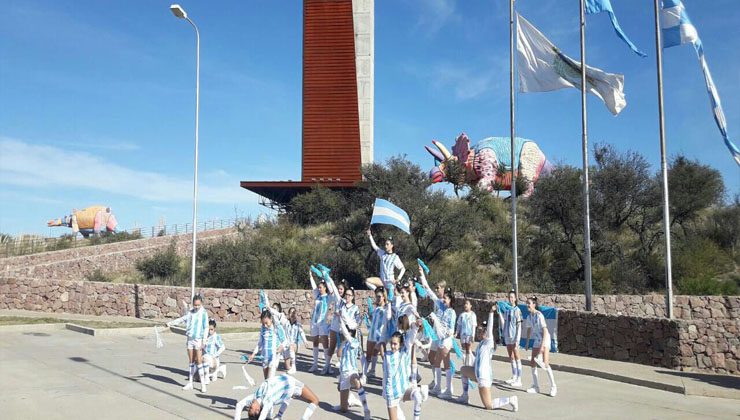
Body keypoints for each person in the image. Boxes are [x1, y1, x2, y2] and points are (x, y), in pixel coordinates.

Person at [456, 305, 518, 411]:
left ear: (486, 332)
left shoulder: (489, 342)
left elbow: (490, 327)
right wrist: (473, 366)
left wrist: (491, 312)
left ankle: (510, 400)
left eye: (481, 331)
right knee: (463, 370)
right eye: (479, 331)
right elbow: (477, 360)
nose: (479, 334)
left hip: (484, 377)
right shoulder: (481, 344)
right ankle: (465, 396)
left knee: (488, 405)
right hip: (477, 373)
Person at [166, 293, 209, 392]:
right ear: (193, 304)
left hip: (198, 339)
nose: (197, 306)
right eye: (195, 305)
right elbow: (182, 319)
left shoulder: (203, 313)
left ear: (201, 303)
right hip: (190, 339)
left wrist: (204, 341)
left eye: (198, 305)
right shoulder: (190, 312)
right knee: (191, 362)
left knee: (199, 361)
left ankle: (203, 384)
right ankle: (190, 383)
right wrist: (170, 323)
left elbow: (206, 327)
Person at [383, 326, 429, 420]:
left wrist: (415, 326)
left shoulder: (404, 353)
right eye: (391, 343)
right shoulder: (387, 356)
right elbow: (386, 377)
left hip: (403, 390)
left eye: (395, 344)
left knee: (418, 396)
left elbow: (411, 338)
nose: (392, 346)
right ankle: (398, 411)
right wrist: (386, 392)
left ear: (401, 344)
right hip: (392, 394)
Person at [233, 374, 320, 420]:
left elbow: (239, 405)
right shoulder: (267, 402)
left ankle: (278, 416)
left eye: (248, 408)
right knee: (315, 400)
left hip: (286, 384)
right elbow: (262, 416)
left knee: (289, 397)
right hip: (292, 384)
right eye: (251, 408)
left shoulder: (255, 397)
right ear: (257, 410)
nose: (250, 405)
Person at [417, 264, 446, 390]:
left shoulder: (444, 303)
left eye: (438, 288)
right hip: (435, 334)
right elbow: (427, 288)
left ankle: (443, 385)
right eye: (436, 288)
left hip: (443, 335)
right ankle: (436, 381)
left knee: (443, 360)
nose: (436, 290)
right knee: (431, 357)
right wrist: (422, 274)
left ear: (443, 289)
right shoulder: (436, 301)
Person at [335, 320, 372, 420]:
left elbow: (362, 358)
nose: (343, 333)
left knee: (356, 382)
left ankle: (366, 410)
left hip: (352, 371)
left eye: (346, 331)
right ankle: (350, 400)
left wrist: (364, 374)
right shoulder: (346, 343)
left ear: (350, 332)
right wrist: (343, 342)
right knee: (343, 409)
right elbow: (339, 354)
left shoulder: (354, 342)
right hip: (343, 373)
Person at [524, 296, 557, 397]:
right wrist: (527, 342)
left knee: (545, 364)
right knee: (533, 363)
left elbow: (545, 331)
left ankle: (553, 386)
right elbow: (529, 329)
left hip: (545, 339)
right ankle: (536, 386)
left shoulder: (539, 315)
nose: (527, 305)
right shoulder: (529, 317)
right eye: (526, 303)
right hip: (537, 340)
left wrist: (542, 347)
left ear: (534, 304)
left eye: (529, 303)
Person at [247, 309, 286, 379]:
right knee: (266, 380)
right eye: (263, 323)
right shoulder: (263, 328)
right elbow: (260, 343)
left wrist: (281, 347)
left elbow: (285, 340)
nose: (265, 325)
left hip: (274, 357)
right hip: (264, 357)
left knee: (269, 380)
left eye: (266, 323)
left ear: (271, 319)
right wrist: (253, 354)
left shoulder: (276, 327)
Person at [366, 228, 406, 296]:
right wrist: (370, 236)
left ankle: (384, 294)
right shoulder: (382, 254)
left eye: (387, 244)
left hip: (390, 283)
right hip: (382, 281)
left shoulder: (395, 257)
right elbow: (375, 247)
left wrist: (398, 279)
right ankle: (378, 291)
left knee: (390, 301)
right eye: (385, 244)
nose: (385, 246)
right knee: (367, 281)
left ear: (392, 246)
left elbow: (403, 269)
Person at [308, 269, 333, 373]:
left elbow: (332, 289)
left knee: (325, 343)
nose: (319, 289)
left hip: (322, 323)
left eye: (321, 287)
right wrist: (310, 276)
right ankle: (315, 364)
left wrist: (326, 277)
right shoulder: (317, 295)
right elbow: (313, 286)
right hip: (314, 322)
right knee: (315, 342)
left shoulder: (328, 297)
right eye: (319, 287)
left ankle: (327, 365)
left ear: (325, 288)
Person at [365, 286, 392, 378]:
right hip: (371, 334)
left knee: (383, 356)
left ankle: (388, 373)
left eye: (380, 296)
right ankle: (370, 371)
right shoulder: (376, 308)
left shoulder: (386, 308)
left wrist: (388, 303)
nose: (378, 298)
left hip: (380, 335)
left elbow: (388, 318)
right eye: (377, 297)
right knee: (370, 354)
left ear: (384, 297)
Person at [498, 290, 523, 386]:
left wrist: (517, 339)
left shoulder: (517, 310)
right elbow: (504, 322)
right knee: (511, 356)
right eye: (509, 297)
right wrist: (499, 313)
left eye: (512, 297)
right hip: (507, 335)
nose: (511, 299)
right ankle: (514, 376)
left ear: (515, 299)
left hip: (514, 336)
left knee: (517, 356)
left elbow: (519, 325)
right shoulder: (507, 310)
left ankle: (519, 379)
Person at [285, 307, 309, 374]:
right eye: (291, 313)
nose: (292, 314)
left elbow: (301, 332)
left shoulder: (298, 325)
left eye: (294, 313)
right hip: (286, 344)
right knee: (287, 367)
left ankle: (294, 366)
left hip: (293, 344)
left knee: (292, 347)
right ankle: (291, 364)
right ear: (288, 314)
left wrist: (305, 341)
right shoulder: (285, 323)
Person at [456, 299, 478, 367]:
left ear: (470, 306)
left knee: (469, 350)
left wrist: (473, 335)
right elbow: (459, 325)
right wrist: (456, 333)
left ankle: (470, 364)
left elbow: (473, 325)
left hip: (469, 334)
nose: (465, 305)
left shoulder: (473, 315)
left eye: (467, 304)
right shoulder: (462, 315)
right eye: (465, 304)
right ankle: (465, 364)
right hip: (463, 334)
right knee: (463, 350)